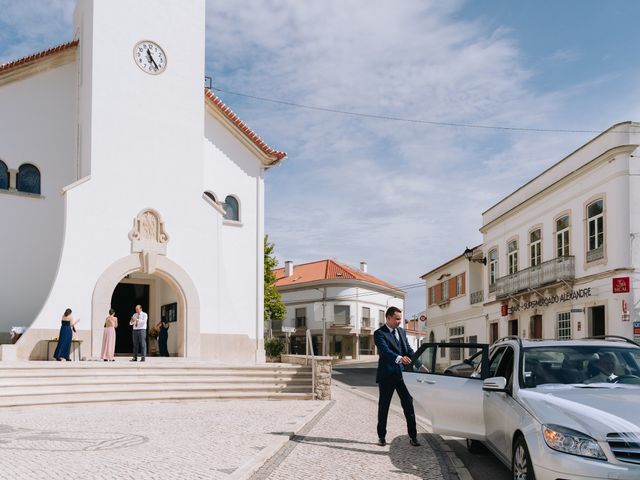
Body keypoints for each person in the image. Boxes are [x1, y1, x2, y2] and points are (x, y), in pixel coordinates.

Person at [374, 306, 420, 447]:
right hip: (387, 376)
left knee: (409, 406)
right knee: (384, 407)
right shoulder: (379, 333)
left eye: (400, 318)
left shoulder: (401, 331)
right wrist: (400, 358)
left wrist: (419, 363)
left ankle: (413, 437)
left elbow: (408, 349)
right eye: (397, 319)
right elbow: (385, 351)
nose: (400, 321)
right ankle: (381, 436)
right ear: (388, 318)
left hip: (402, 376)